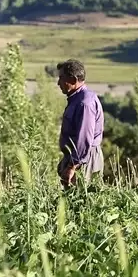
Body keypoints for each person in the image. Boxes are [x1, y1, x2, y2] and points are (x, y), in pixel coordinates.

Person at [55, 59, 104, 188]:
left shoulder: (84, 103)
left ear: (72, 80)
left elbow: (84, 138)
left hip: (84, 160)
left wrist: (72, 166)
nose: (58, 83)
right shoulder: (77, 99)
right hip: (79, 158)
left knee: (81, 201)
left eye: (61, 78)